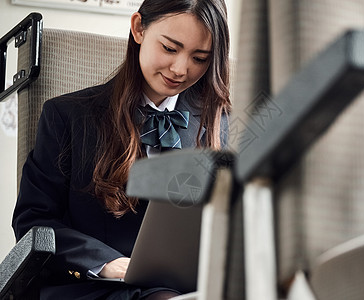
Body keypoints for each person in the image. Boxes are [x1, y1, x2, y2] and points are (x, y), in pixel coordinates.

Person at [12, 0, 230, 299]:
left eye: (200, 58)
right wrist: (108, 264)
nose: (181, 69)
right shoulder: (66, 116)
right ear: (139, 28)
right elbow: (33, 223)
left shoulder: (220, 123)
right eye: (169, 48)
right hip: (95, 287)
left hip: (189, 287)